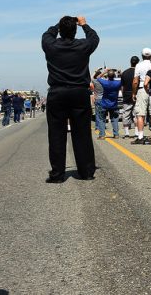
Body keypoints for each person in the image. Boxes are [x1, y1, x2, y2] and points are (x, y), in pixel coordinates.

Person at [41, 15, 99, 183]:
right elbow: (94, 37)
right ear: (75, 31)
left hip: (57, 92)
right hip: (79, 92)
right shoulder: (83, 46)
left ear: (60, 30)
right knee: (82, 134)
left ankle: (57, 174)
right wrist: (84, 24)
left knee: (56, 134)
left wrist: (58, 25)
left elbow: (47, 34)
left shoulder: (51, 45)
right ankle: (86, 171)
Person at [132, 48, 151, 144]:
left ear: (142, 55)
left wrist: (134, 93)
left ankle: (140, 136)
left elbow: (135, 81)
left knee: (140, 114)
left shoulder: (139, 65)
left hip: (142, 89)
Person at [97, 69, 122, 139]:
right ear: (114, 76)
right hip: (114, 104)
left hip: (104, 104)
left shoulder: (105, 82)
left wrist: (105, 71)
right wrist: (120, 72)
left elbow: (98, 77)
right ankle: (116, 134)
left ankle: (102, 135)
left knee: (102, 120)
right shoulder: (118, 83)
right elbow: (124, 78)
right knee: (114, 120)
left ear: (107, 76)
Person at [120, 56, 139, 138]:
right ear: (137, 63)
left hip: (127, 94)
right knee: (136, 114)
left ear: (130, 62)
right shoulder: (138, 72)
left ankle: (127, 133)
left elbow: (122, 86)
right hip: (137, 94)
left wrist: (124, 94)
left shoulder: (124, 73)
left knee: (126, 113)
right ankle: (136, 132)